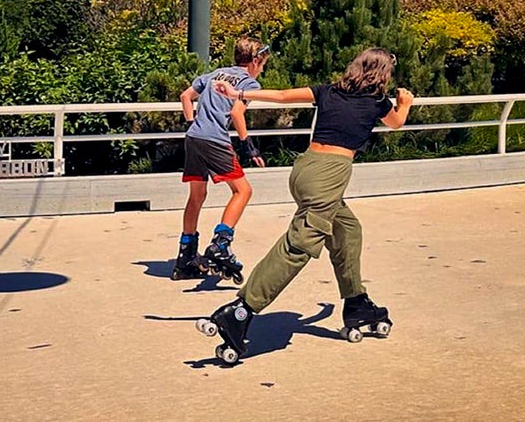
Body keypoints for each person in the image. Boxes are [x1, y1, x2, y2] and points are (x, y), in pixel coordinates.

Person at [202, 47, 414, 363]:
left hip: (304, 169)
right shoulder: (377, 102)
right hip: (328, 177)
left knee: (347, 230)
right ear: (383, 75)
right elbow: (396, 123)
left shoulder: (328, 91)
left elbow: (285, 95)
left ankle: (355, 300)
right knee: (298, 246)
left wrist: (238, 91)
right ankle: (242, 310)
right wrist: (405, 103)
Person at [172, 37, 270, 284]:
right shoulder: (249, 83)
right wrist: (249, 146)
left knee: (196, 196)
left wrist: (192, 123)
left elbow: (186, 96)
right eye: (263, 64)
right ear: (255, 61)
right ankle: (221, 243)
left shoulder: (215, 74)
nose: (262, 70)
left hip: (193, 137)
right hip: (215, 139)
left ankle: (185, 259)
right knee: (243, 191)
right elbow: (237, 112)